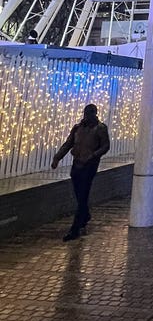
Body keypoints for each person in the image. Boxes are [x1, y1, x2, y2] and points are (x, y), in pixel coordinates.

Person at [51, 103, 110, 242]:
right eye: (86, 113)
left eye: (90, 113)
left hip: (89, 165)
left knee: (83, 194)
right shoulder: (78, 128)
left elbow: (106, 146)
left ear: (95, 113)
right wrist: (57, 157)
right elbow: (68, 143)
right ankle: (85, 214)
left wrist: (94, 155)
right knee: (79, 194)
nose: (87, 116)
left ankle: (75, 229)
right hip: (77, 164)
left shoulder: (100, 128)